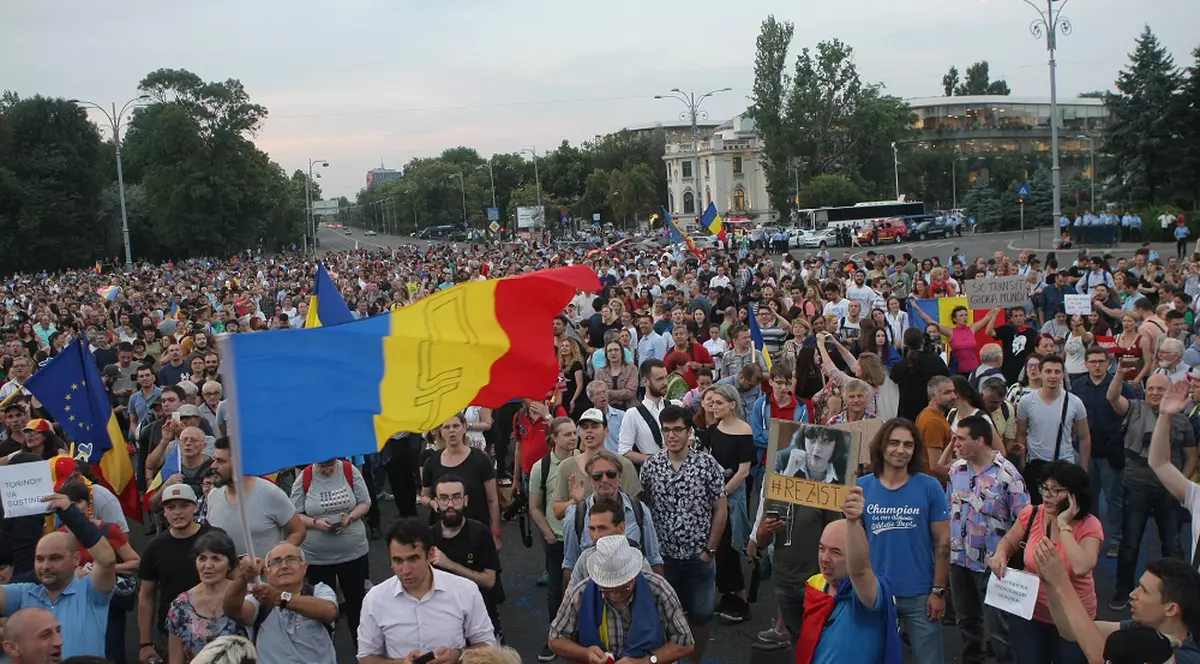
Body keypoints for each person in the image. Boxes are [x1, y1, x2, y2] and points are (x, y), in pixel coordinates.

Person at [986, 461, 1103, 663]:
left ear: (1074, 495)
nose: (1047, 495)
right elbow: (1008, 542)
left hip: (1074, 617)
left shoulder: (1089, 526)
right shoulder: (1031, 514)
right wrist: (1000, 555)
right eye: (1045, 488)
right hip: (1030, 612)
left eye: (1056, 491)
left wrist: (1063, 525)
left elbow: (1082, 566)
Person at [638, 405, 727, 663]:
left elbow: (721, 509)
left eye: (677, 429)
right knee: (665, 618)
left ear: (689, 432)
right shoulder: (651, 466)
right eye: (666, 430)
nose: (672, 436)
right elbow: (644, 510)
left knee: (700, 617)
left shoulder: (707, 464)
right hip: (663, 560)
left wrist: (709, 550)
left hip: (699, 557)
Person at [856, 419, 949, 664]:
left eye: (908, 444)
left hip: (921, 594)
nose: (901, 450)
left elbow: (944, 544)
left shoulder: (930, 487)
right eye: (894, 443)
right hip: (875, 594)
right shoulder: (861, 488)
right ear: (881, 446)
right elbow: (853, 543)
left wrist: (938, 591)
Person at [1107, 372, 1196, 610]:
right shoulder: (1134, 408)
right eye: (1151, 388)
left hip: (1169, 494)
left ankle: (1175, 597)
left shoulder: (1181, 420)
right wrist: (1119, 374)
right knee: (1129, 544)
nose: (1155, 393)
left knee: (1172, 546)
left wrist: (1182, 488)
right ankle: (1123, 592)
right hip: (1136, 488)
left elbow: (1191, 457)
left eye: (1160, 389)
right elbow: (1113, 397)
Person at [1036, 538, 1200, 664]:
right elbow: (1070, 631)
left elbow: (1100, 657)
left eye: (1144, 590)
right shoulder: (1142, 627)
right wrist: (1049, 582)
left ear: (1171, 609)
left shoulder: (1185, 658)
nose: (1133, 594)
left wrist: (1061, 581)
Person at [947, 415, 1029, 664]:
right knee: (966, 623)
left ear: (980, 440)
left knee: (999, 632)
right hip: (959, 560)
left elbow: (1024, 519)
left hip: (994, 567)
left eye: (961, 439)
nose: (955, 444)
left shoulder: (1007, 475)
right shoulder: (956, 470)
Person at [356, 518, 496, 663]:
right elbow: (366, 658)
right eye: (398, 561)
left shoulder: (465, 590)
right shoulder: (375, 599)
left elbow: (487, 644)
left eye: (413, 559)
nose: (405, 570)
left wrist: (458, 655)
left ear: (430, 555)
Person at [0, 493, 117, 659]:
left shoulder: (91, 592)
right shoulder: (23, 594)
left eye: (55, 558)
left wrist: (70, 513)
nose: (46, 566)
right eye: (39, 559)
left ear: (76, 559)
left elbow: (107, 559)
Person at [794, 487, 903, 664]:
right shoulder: (816, 584)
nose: (825, 558)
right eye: (822, 549)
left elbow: (859, 570)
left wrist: (852, 522)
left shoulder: (869, 594)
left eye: (836, 552)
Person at [548, 535, 695, 664]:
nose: (614, 595)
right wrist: (585, 654)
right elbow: (555, 639)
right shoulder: (580, 593)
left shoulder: (659, 589)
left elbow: (684, 642)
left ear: (634, 574)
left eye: (623, 588)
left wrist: (647, 661)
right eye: (606, 588)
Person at [290, 458, 372, 642]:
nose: (327, 471)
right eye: (322, 467)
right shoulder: (306, 476)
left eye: (330, 467)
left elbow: (365, 502)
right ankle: (325, 648)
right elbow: (294, 513)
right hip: (318, 558)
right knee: (321, 606)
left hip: (353, 553)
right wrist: (315, 523)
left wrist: (350, 517)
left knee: (357, 605)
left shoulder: (350, 471)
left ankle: (362, 649)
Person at [138, 484, 218, 664]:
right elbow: (146, 595)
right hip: (172, 635)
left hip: (215, 631)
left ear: (195, 507)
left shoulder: (216, 539)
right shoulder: (154, 548)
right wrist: (145, 643)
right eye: (171, 507)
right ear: (164, 512)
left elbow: (233, 580)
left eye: (184, 505)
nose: (178, 512)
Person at [221, 543, 339, 664]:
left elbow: (329, 612)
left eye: (291, 559)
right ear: (266, 573)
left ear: (304, 567)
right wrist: (243, 577)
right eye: (276, 562)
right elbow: (232, 610)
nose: (284, 566)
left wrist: (280, 598)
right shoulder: (260, 599)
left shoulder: (319, 590)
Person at [562, 450, 663, 588]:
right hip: (593, 595)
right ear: (591, 480)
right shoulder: (575, 515)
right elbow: (570, 567)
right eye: (597, 476)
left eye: (611, 474)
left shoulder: (639, 510)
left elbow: (654, 559)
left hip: (633, 593)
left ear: (619, 477)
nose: (604, 479)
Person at [1072, 345, 1133, 558]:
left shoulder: (1121, 387)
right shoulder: (1077, 387)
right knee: (1088, 498)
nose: (1097, 366)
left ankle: (1116, 539)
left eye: (1101, 361)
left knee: (1114, 498)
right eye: (1093, 362)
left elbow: (1132, 416)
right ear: (1086, 363)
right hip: (1085, 451)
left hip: (1111, 453)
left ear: (1109, 364)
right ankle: (1091, 537)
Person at [428, 475, 504, 644]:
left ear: (465, 500)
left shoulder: (480, 533)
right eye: (444, 498)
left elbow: (489, 581)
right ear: (436, 502)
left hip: (480, 614)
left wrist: (450, 564)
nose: (450, 504)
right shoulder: (428, 537)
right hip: (442, 619)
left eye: (456, 497)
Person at [702, 384, 755, 623]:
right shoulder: (715, 428)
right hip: (715, 495)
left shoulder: (744, 431)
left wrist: (721, 493)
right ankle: (724, 598)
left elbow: (744, 471)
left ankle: (741, 601)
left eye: (719, 403)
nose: (714, 407)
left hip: (731, 498)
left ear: (733, 405)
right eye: (713, 403)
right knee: (717, 549)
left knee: (731, 548)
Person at [528, 417, 576, 661]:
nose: (573, 437)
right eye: (567, 434)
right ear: (554, 438)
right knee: (555, 590)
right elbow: (534, 506)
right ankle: (555, 637)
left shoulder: (584, 460)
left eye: (574, 432)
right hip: (557, 538)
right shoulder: (542, 467)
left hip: (583, 537)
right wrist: (547, 533)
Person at [206, 438, 304, 558]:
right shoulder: (213, 496)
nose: (213, 466)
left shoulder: (270, 493)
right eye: (214, 460)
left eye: (220, 461)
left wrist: (272, 560)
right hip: (230, 576)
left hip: (265, 576)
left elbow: (298, 532)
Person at [420, 414, 501, 550]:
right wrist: (431, 503)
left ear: (464, 428)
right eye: (446, 427)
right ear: (441, 431)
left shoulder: (480, 459)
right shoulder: (431, 462)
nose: (452, 430)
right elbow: (424, 495)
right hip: (443, 532)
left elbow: (492, 500)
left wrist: (495, 534)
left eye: (456, 426)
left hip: (476, 531)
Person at [1015, 355, 1092, 499]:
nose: (1053, 376)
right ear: (1040, 373)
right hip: (1036, 465)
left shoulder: (1075, 402)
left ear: (1063, 374)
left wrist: (1083, 467)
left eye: (1057, 372)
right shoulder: (1026, 402)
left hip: (1065, 465)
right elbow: (1020, 433)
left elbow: (1084, 436)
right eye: (1048, 371)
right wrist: (1022, 463)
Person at [165, 531, 246, 664]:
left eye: (216, 558)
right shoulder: (181, 606)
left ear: (230, 564)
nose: (208, 566)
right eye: (202, 558)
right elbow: (175, 659)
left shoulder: (247, 596)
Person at [890, 328, 950, 422]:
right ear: (922, 341)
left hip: (907, 414)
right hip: (932, 411)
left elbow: (893, 382)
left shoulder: (899, 366)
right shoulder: (935, 361)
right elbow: (948, 380)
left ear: (905, 343)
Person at [618, 359, 671, 465]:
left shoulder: (675, 405)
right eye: (659, 379)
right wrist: (656, 460)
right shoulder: (632, 414)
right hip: (652, 473)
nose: (665, 383)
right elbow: (624, 452)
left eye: (666, 377)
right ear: (645, 381)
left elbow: (692, 438)